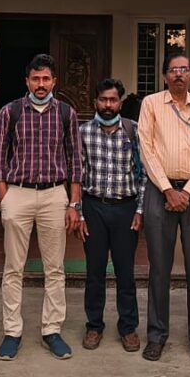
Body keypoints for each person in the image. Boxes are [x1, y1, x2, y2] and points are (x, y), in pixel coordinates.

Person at [0, 54, 83, 361]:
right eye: (35, 79)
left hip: (54, 195)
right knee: (13, 268)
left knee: (54, 268)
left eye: (46, 79)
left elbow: (75, 161)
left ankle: (51, 330)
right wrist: (4, 196)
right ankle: (12, 331)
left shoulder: (67, 113)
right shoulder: (10, 112)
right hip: (18, 194)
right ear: (27, 81)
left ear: (54, 81)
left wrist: (73, 203)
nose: (41, 85)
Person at [137, 53, 190, 363]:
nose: (179, 75)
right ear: (164, 76)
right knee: (159, 268)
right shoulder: (151, 104)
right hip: (160, 191)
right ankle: (156, 335)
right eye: (173, 70)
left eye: (184, 70)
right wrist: (169, 189)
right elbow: (146, 148)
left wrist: (187, 190)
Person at [77, 78, 144, 353]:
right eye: (103, 100)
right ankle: (94, 326)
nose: (107, 105)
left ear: (120, 101)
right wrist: (79, 213)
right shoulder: (83, 132)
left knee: (125, 272)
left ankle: (128, 328)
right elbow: (77, 175)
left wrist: (139, 210)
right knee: (94, 272)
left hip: (126, 208)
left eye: (113, 100)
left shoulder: (134, 131)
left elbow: (144, 175)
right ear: (95, 102)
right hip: (93, 207)